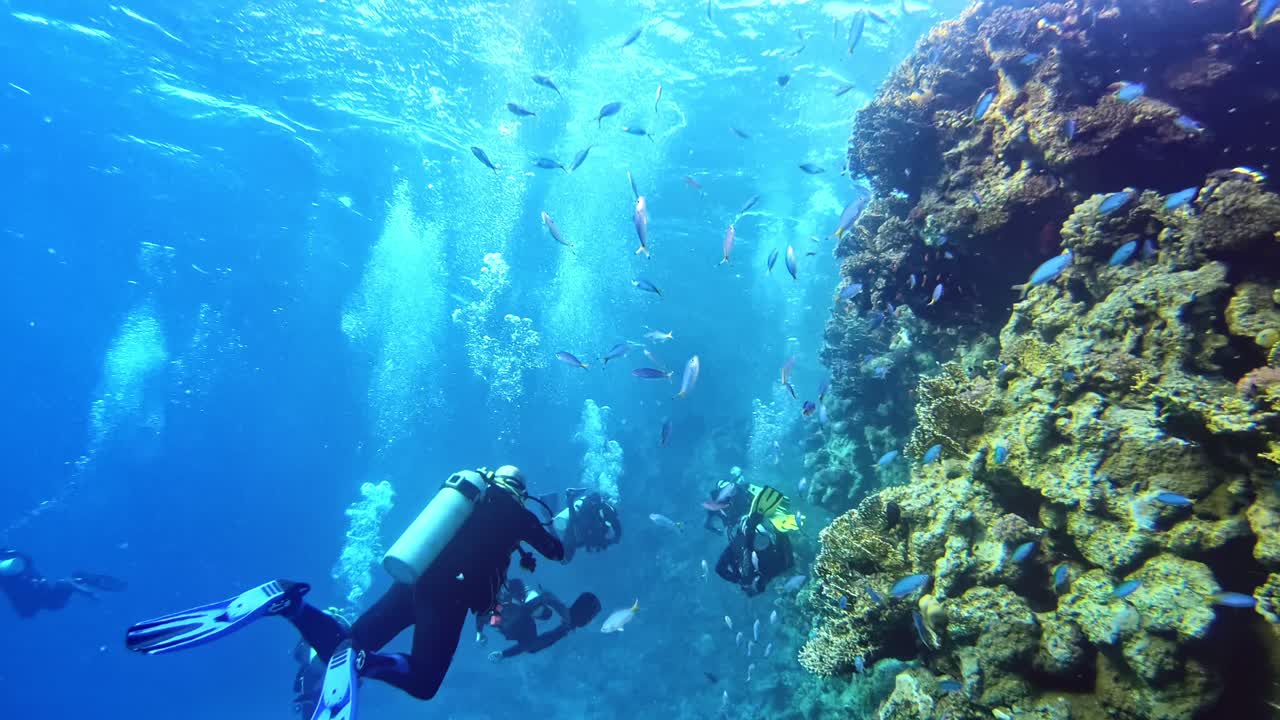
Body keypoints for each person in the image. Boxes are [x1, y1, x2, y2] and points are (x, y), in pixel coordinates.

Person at [125, 465, 564, 720]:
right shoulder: (516, 512)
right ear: (519, 489)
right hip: (448, 596)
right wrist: (543, 524)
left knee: (343, 643)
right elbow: (557, 551)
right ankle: (366, 662)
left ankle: (291, 604)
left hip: (412, 580)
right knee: (425, 681)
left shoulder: (467, 497)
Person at [474, 578, 600, 661]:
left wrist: (566, 618)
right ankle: (568, 621)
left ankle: (568, 620)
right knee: (531, 645)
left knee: (533, 638)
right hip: (519, 620)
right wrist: (481, 636)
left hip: (521, 614)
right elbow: (527, 645)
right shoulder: (494, 617)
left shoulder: (520, 610)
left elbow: (546, 597)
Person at [714, 485, 798, 596]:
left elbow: (719, 568)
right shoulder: (769, 572)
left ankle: (762, 527)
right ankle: (771, 529)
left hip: (755, 549)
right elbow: (720, 568)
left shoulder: (746, 574)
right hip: (761, 549)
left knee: (782, 565)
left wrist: (738, 580)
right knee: (785, 564)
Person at [0, 548, 125, 617]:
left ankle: (75, 581)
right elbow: (27, 559)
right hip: (36, 584)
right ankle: (80, 579)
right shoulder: (11, 556)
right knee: (54, 598)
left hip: (34, 591)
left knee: (49, 602)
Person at [543, 488, 622, 561]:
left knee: (562, 556)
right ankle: (548, 514)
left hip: (574, 529)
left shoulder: (598, 508)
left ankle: (549, 513)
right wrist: (611, 540)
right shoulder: (608, 511)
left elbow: (615, 528)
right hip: (578, 531)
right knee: (563, 558)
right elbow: (615, 527)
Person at [703, 466, 751, 534]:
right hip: (745, 515)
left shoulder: (716, 505)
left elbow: (707, 524)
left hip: (736, 522)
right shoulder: (740, 487)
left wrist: (716, 531)